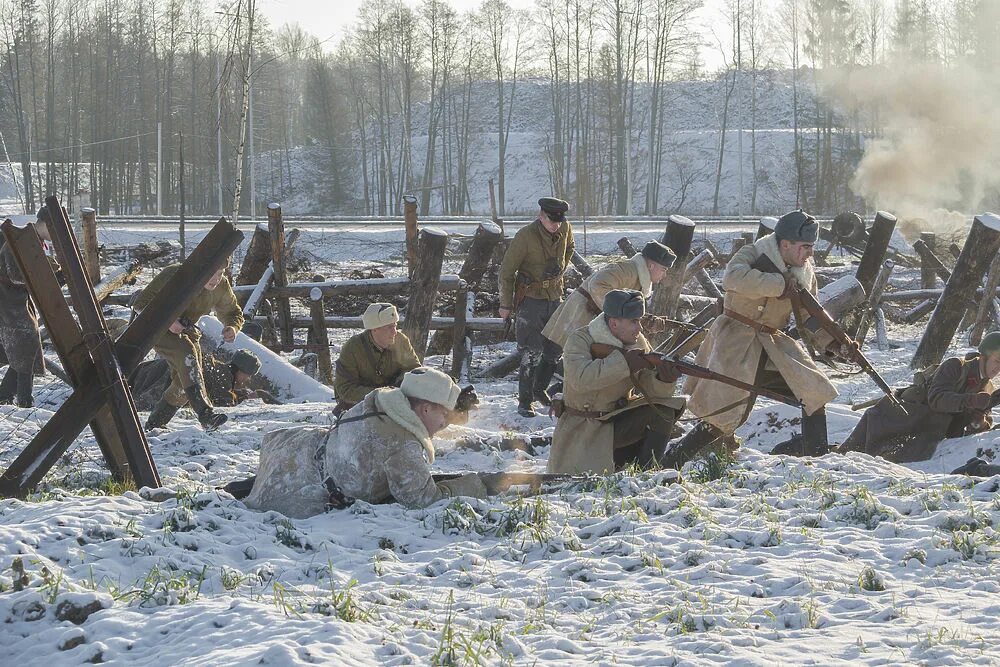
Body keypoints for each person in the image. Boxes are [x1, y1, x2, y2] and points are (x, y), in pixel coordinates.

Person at [673, 210, 839, 465]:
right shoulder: (753, 253)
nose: (810, 253)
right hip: (736, 343)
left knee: (814, 395)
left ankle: (816, 463)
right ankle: (670, 462)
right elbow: (732, 278)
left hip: (772, 345)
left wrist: (836, 344)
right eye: (805, 247)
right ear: (785, 244)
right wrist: (780, 285)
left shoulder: (804, 271)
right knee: (723, 416)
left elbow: (809, 314)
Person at [243, 367, 487, 517]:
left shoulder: (383, 401)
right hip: (302, 492)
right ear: (424, 409)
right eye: (443, 414)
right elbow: (422, 499)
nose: (446, 422)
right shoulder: (404, 445)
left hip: (295, 448)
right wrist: (476, 485)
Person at [547, 289, 685, 475]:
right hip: (583, 429)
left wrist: (664, 379)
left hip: (615, 422)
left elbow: (649, 390)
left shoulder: (637, 342)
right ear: (613, 323)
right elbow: (581, 379)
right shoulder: (580, 340)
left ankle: (647, 474)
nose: (639, 328)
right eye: (633, 321)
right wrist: (624, 363)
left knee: (664, 411)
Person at [838, 332, 1000, 463]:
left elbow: (978, 425)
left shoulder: (988, 387)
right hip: (905, 418)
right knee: (858, 456)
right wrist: (971, 400)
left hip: (932, 434)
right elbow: (937, 400)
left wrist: (978, 420)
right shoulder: (955, 366)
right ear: (984, 356)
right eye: (997, 361)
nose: (998, 368)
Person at [133, 262, 244, 431]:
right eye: (212, 273)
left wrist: (232, 327)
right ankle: (206, 415)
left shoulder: (221, 285)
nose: (216, 279)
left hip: (187, 331)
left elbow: (232, 312)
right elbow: (141, 303)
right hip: (154, 327)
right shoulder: (176, 274)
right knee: (188, 354)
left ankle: (154, 425)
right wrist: (169, 321)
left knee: (184, 382)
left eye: (220, 273)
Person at [499, 197, 575, 417]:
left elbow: (570, 246)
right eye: (552, 221)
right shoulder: (525, 236)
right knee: (531, 352)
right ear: (541, 215)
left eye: (559, 221)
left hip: (555, 297)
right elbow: (506, 271)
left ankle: (539, 389)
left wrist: (561, 269)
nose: (556, 225)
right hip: (531, 299)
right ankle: (525, 401)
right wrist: (505, 304)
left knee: (554, 349)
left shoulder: (565, 227)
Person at [542, 240, 676, 351]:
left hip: (593, 318)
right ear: (651, 266)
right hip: (581, 313)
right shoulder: (627, 270)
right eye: (663, 269)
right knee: (555, 354)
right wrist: (621, 314)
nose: (664, 275)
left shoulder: (637, 276)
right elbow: (597, 285)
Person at [0, 207, 58, 408]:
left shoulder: (36, 242)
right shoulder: (20, 239)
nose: (55, 235)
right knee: (25, 342)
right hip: (7, 301)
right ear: (45, 224)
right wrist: (44, 271)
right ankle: (23, 398)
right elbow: (16, 275)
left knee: (26, 345)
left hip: (18, 300)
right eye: (54, 229)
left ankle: (8, 395)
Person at [333, 302, 421, 414]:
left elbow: (415, 372)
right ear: (374, 329)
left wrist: (399, 387)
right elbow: (345, 389)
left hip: (396, 401)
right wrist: (379, 395)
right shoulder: (353, 348)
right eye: (389, 327)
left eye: (395, 326)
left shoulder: (401, 341)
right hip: (360, 405)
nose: (394, 332)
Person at [130, 349, 274, 411]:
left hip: (160, 366)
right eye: (247, 374)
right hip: (170, 375)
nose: (247, 379)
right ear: (240, 370)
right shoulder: (223, 375)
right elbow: (224, 401)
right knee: (140, 404)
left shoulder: (218, 369)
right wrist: (245, 398)